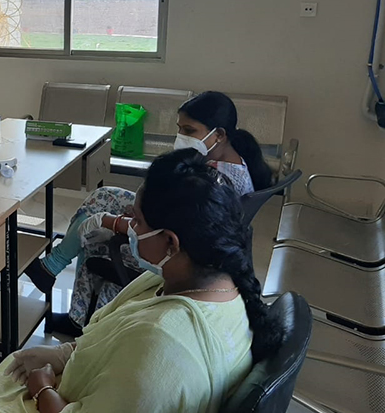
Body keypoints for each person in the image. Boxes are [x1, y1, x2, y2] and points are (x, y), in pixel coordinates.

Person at [0, 149, 283, 413]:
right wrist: (65, 354)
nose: (129, 227)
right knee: (8, 372)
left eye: (138, 222)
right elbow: (114, 345)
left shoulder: (160, 343)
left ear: (171, 242)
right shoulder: (214, 284)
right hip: (89, 394)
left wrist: (42, 388)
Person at [25, 90, 273, 336]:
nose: (181, 137)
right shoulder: (232, 163)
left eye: (189, 131)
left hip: (184, 257)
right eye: (179, 129)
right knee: (102, 197)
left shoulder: (217, 181)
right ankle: (56, 275)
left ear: (219, 134)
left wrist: (113, 222)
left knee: (94, 238)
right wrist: (128, 214)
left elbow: (172, 233)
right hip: (196, 245)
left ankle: (80, 317)